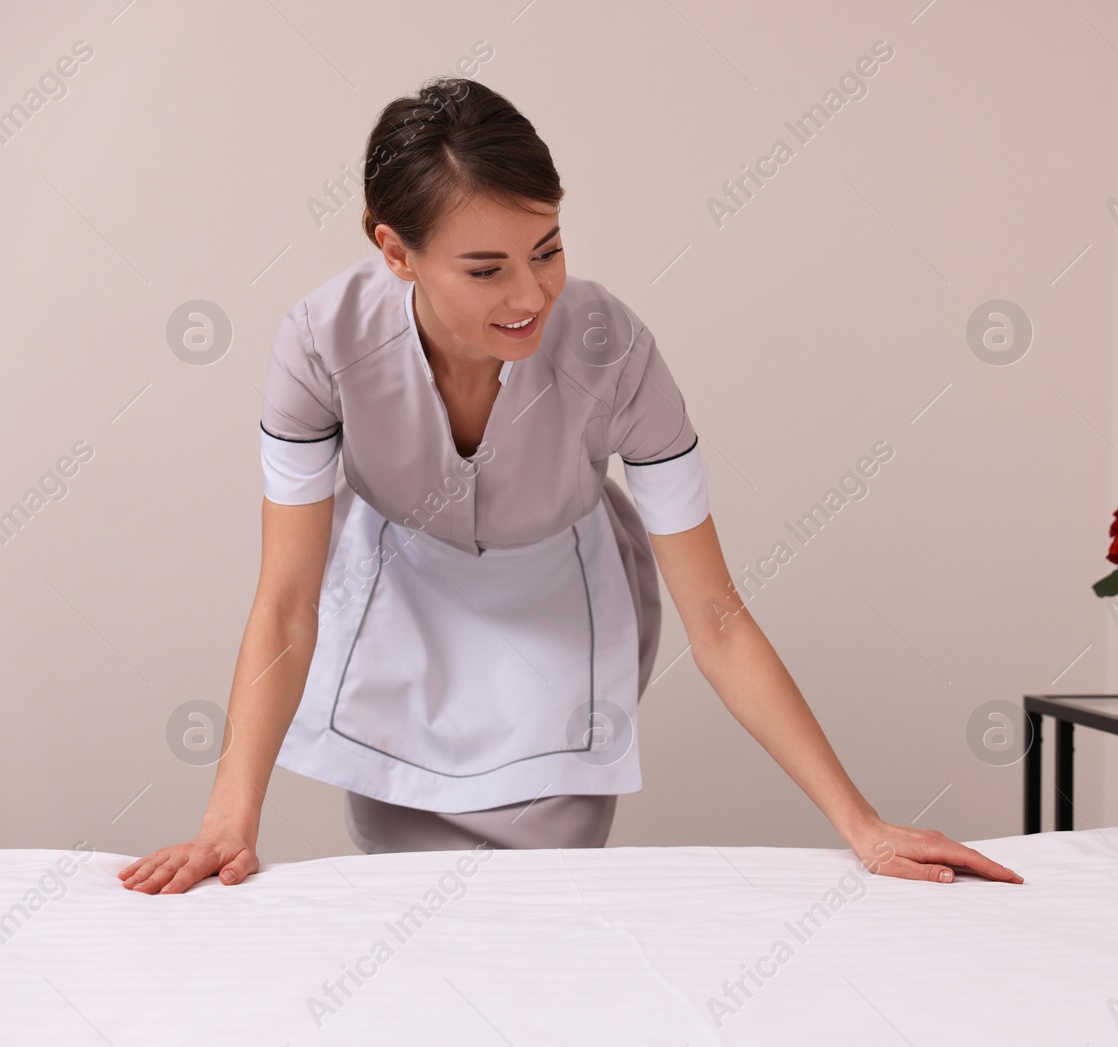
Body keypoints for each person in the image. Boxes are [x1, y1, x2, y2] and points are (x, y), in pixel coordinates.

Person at [118, 77, 1021, 894]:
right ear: (395, 251)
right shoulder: (320, 343)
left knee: (541, 907)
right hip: (398, 609)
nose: (531, 295)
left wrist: (861, 827)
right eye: (486, 269)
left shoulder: (614, 351)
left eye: (547, 250)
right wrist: (228, 822)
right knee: (403, 905)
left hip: (561, 609)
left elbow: (716, 615)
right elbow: (286, 602)